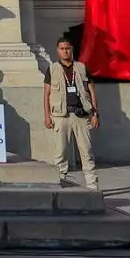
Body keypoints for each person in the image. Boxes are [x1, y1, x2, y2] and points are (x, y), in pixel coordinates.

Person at [43, 36, 99, 189]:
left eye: (67, 48)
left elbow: (92, 92)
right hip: (61, 116)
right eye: (62, 49)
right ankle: (60, 183)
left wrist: (95, 114)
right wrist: (47, 116)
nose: (65, 51)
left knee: (86, 152)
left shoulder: (81, 67)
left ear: (72, 49)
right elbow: (46, 94)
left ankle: (92, 186)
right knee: (60, 153)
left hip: (81, 115)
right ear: (57, 50)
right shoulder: (52, 69)